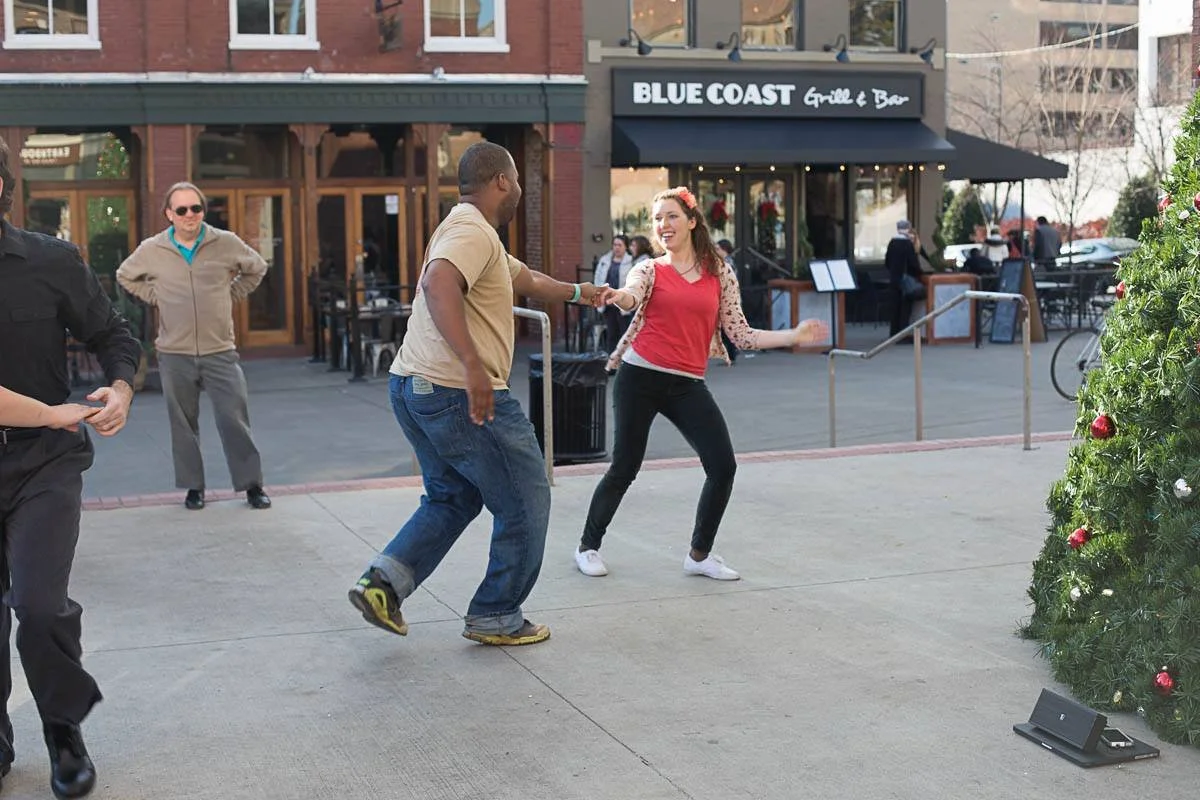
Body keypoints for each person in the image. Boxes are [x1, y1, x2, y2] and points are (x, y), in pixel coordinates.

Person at [348, 141, 604, 646]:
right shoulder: (471, 232)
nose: (518, 193)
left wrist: (583, 293)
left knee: (453, 496)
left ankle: (382, 585)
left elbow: (525, 278)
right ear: (502, 182)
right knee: (527, 497)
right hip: (453, 392)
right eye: (517, 183)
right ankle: (495, 613)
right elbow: (438, 284)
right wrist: (473, 368)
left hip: (411, 385)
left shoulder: (466, 228)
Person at [573, 186, 828, 581]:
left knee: (723, 465)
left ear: (692, 222)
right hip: (639, 377)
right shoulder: (649, 269)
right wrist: (616, 297)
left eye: (671, 216)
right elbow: (630, 296)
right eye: (658, 218)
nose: (663, 225)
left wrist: (792, 336)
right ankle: (587, 547)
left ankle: (699, 555)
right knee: (625, 466)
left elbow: (740, 334)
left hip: (687, 383)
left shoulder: (719, 273)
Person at [0, 133, 142, 798]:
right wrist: (56, 411)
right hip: (47, 427)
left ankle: (63, 730)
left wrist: (119, 388)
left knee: (38, 603)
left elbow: (114, 334)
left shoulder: (49, 260)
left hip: (43, 468)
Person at [116, 182, 272, 512]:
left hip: (220, 350)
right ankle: (193, 487)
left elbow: (256, 267)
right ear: (169, 214)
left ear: (203, 210)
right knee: (183, 424)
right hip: (175, 352)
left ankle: (252, 485)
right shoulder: (153, 248)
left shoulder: (224, 242)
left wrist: (231, 294)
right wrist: (156, 297)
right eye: (182, 210)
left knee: (234, 419)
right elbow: (125, 275)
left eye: (196, 209)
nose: (190, 216)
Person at [593, 235, 633, 351]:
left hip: (622, 303)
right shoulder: (605, 260)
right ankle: (610, 362)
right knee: (611, 334)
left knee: (624, 334)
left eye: (620, 245)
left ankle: (622, 362)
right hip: (608, 304)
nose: (617, 248)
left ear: (626, 247)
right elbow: (598, 278)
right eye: (615, 245)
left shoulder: (631, 262)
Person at [886, 219, 924, 340]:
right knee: (905, 308)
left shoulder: (892, 242)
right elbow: (913, 264)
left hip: (894, 279)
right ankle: (903, 334)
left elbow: (887, 262)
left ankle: (893, 333)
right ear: (908, 228)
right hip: (905, 280)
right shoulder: (907, 244)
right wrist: (919, 273)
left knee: (895, 307)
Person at [715, 239, 742, 363]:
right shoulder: (723, 262)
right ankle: (730, 353)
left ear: (724, 250)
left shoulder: (727, 263)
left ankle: (731, 354)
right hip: (724, 298)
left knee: (726, 328)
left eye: (718, 249)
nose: (716, 251)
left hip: (727, 298)